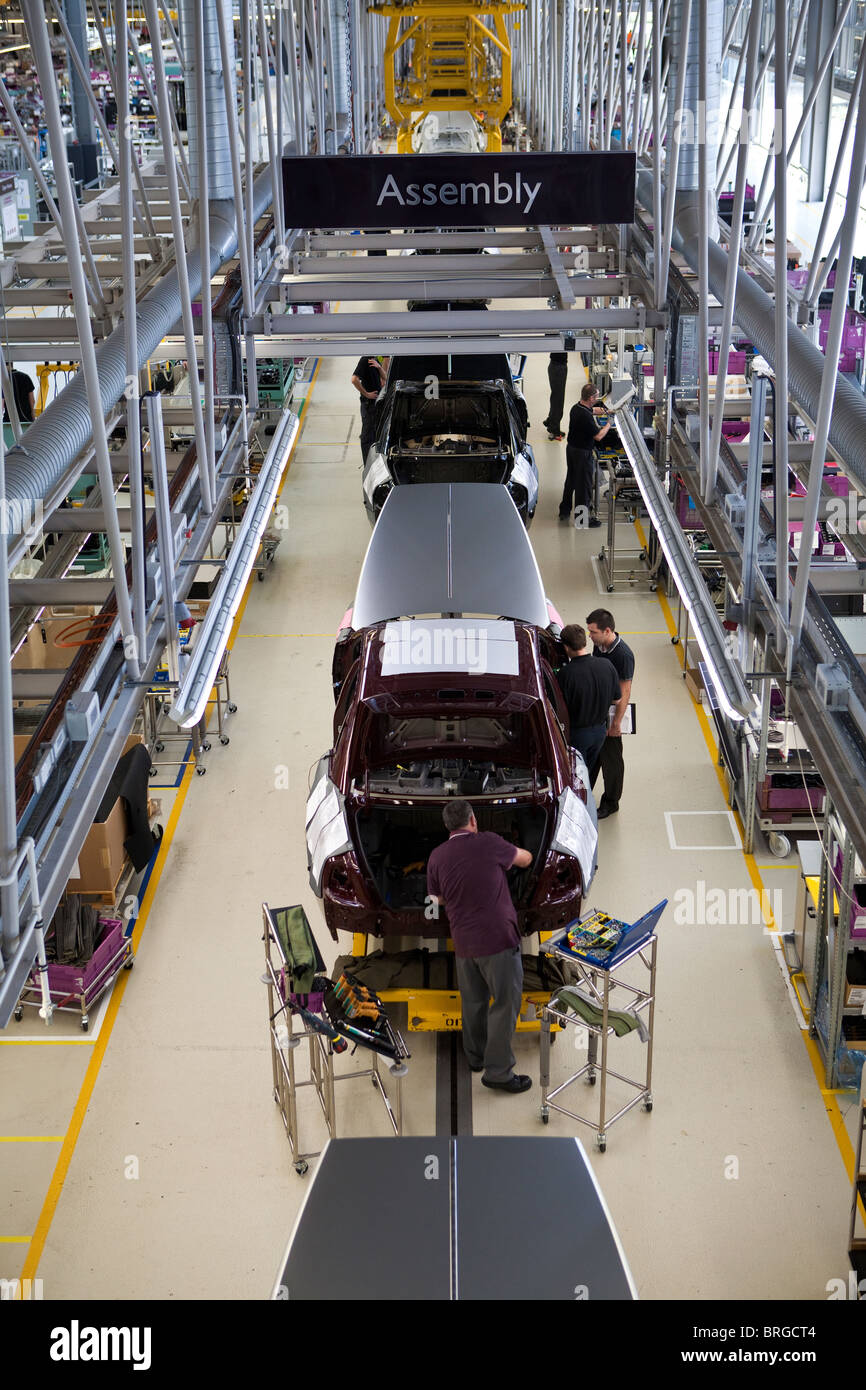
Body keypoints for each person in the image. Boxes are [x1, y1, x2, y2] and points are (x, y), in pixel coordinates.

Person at [427, 800, 533, 1093]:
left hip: (463, 944)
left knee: (473, 1002)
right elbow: (525, 859)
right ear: (473, 820)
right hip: (499, 940)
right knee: (504, 1003)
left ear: (447, 826)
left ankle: (474, 1059)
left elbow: (434, 902)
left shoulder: (436, 857)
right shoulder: (488, 842)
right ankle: (498, 1073)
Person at [586, 608, 635, 819]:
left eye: (593, 632)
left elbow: (625, 691)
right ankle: (584, 795)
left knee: (611, 760)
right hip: (598, 709)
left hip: (611, 713)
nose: (590, 636)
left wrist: (615, 724)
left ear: (607, 631)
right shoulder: (600, 646)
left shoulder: (623, 655)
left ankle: (611, 802)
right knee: (593, 755)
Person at [556, 623, 621, 775]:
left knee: (577, 776)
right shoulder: (607, 665)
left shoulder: (566, 674)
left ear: (566, 647)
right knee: (588, 773)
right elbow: (617, 700)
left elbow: (559, 710)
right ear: (584, 642)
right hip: (600, 733)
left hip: (577, 735)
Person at [560, 382, 610, 526]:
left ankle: (564, 510)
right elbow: (599, 436)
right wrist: (609, 423)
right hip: (582, 453)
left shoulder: (577, 408)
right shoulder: (585, 416)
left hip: (572, 449)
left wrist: (607, 411)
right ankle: (582, 520)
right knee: (583, 486)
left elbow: (592, 411)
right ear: (591, 398)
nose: (597, 398)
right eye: (596, 396)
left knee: (571, 481)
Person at [351, 355, 389, 463]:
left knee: (375, 433)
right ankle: (368, 465)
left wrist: (379, 367)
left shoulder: (374, 359)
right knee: (367, 438)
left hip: (376, 405)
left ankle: (376, 461)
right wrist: (366, 394)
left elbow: (385, 377)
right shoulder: (364, 360)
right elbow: (354, 379)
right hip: (369, 405)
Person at [542, 352, 568, 440]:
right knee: (558, 400)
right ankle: (554, 429)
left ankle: (550, 421)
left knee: (555, 397)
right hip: (559, 368)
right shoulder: (560, 338)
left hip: (554, 365)